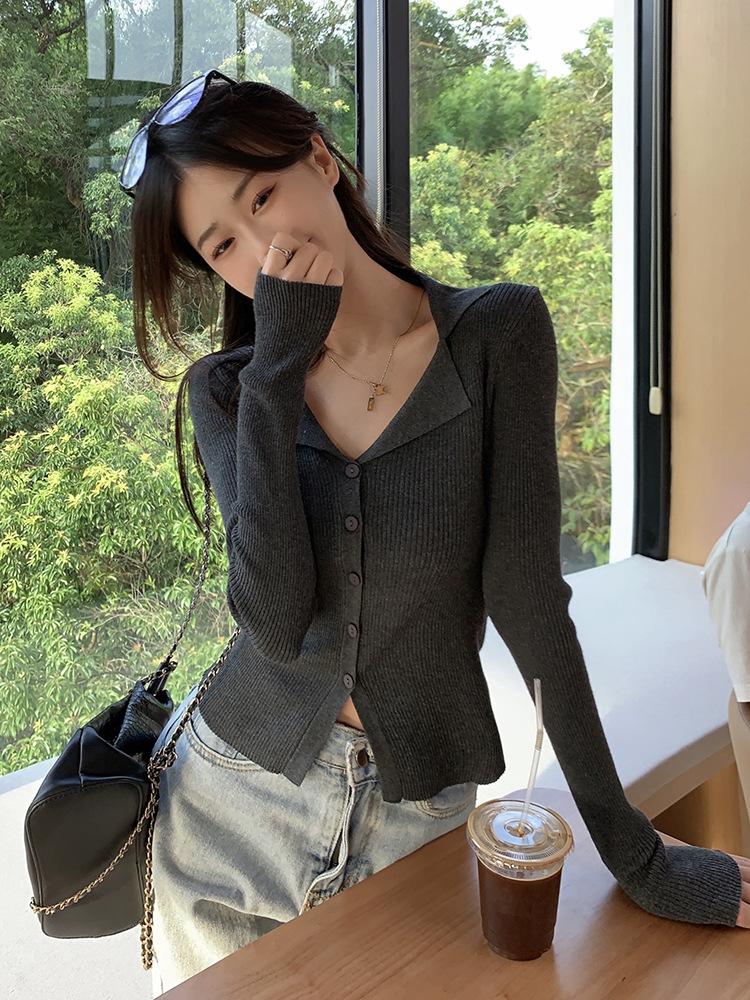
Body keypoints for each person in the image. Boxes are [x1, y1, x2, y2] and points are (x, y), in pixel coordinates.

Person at [119, 71, 750, 995]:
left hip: (415, 811)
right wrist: (276, 375)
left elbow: (528, 602)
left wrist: (633, 851)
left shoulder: (496, 333)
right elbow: (276, 621)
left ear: (319, 159)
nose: (262, 248)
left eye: (261, 196)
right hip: (229, 809)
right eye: (222, 244)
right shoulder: (230, 391)